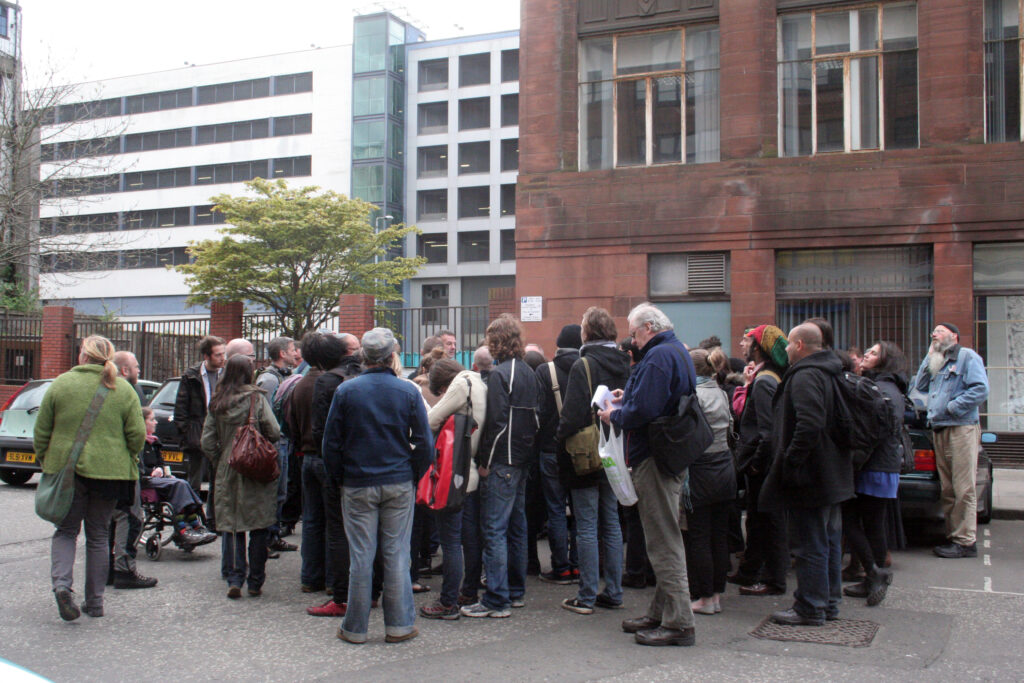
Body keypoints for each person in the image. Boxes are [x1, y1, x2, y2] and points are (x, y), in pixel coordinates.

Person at [322, 328, 433, 644]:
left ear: (363, 357)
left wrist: (341, 478)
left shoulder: (347, 391)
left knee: (361, 556)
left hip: (357, 482)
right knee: (397, 554)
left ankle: (355, 628)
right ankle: (398, 625)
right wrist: (412, 473)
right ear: (391, 356)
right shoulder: (408, 391)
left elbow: (331, 444)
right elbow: (424, 443)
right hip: (398, 480)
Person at [598, 303, 697, 647]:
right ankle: (661, 612)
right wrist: (631, 398)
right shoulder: (675, 351)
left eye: (635, 331)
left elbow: (647, 410)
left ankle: (680, 622)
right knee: (664, 535)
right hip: (668, 454)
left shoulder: (657, 357)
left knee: (662, 539)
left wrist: (617, 416)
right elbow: (661, 400)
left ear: (650, 327)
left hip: (654, 457)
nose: (633, 338)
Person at [35, 335, 147, 620]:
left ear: (82, 356)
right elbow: (137, 436)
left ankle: (62, 587)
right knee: (98, 536)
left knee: (66, 531)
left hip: (68, 471)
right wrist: (125, 457)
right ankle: (95, 603)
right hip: (110, 474)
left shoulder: (60, 384)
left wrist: (48, 460)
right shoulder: (123, 389)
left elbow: (41, 432)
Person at [761, 323, 852, 626]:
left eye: (788, 343)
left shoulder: (805, 376)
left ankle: (811, 606)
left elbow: (809, 423)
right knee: (827, 539)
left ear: (799, 345)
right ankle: (829, 603)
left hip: (811, 475)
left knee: (810, 542)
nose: (785, 349)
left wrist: (791, 462)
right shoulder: (831, 371)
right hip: (832, 472)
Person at [461, 314, 541, 619]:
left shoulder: (498, 375)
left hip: (501, 461)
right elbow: (533, 418)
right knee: (516, 527)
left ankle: (496, 599)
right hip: (521, 460)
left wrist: (484, 462)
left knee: (493, 530)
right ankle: (514, 591)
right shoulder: (528, 372)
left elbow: (495, 424)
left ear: (496, 341)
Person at [556, 307, 629, 615]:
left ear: (586, 333)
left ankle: (586, 595)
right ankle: (613, 591)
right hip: (616, 447)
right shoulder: (626, 362)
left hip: (587, 451)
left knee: (586, 525)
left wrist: (559, 437)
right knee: (611, 522)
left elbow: (571, 414)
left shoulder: (582, 364)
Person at [201, 354, 281, 599]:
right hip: (256, 468)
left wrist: (222, 458)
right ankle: (256, 581)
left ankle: (235, 577)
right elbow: (274, 431)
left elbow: (206, 441)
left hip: (229, 468)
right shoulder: (256, 398)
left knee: (234, 525)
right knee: (258, 523)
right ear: (249, 372)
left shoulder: (218, 401)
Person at [913, 323, 990, 558]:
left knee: (963, 487)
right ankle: (953, 535)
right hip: (940, 429)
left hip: (961, 428)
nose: (933, 333)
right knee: (948, 489)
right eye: (932, 331)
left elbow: (980, 389)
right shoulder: (937, 359)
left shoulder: (967, 357)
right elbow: (921, 386)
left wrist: (952, 407)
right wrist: (928, 357)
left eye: (939, 330)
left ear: (954, 336)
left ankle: (966, 542)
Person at [419, 358, 488, 620]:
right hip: (470, 471)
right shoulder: (478, 381)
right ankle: (467, 592)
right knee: (468, 539)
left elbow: (430, 421)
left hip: (453, 473)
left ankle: (448, 602)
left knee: (450, 541)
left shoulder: (461, 384)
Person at [842, 342, 905, 605]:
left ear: (885, 360)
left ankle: (874, 572)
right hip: (881, 463)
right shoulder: (887, 387)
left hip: (874, 464)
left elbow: (874, 430)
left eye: (874, 353)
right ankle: (873, 575)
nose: (867, 355)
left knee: (854, 519)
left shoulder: (882, 389)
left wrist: (857, 456)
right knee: (873, 524)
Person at [307, 332, 365, 617]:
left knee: (338, 531)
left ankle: (341, 595)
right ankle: (371, 591)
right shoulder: (364, 376)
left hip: (338, 466)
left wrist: (332, 466)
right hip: (367, 465)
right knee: (369, 533)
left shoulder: (327, 381)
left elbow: (322, 432)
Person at [730, 324, 788, 597]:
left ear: (759, 347)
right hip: (763, 464)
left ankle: (773, 579)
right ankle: (750, 571)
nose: (743, 345)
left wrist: (754, 463)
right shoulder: (767, 377)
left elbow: (767, 430)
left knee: (767, 522)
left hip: (762, 466)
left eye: (748, 341)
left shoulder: (765, 381)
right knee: (757, 520)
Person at [683, 348, 736, 615]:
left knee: (699, 536)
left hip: (701, 471)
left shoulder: (693, 396)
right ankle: (715, 594)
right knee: (718, 536)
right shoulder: (720, 391)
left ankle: (703, 596)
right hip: (725, 467)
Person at [535, 324, 582, 585]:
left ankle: (560, 568)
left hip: (551, 449)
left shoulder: (545, 370)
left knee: (555, 509)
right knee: (580, 511)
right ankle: (578, 565)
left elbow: (539, 413)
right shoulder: (587, 367)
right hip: (581, 450)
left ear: (558, 343)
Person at [108, 349, 157, 590]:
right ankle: (124, 569)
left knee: (106, 519)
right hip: (126, 465)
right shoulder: (130, 391)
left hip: (100, 466)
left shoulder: (101, 387)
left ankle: (105, 570)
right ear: (125, 370)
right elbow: (136, 433)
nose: (139, 371)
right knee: (131, 517)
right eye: (136, 367)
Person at [288, 333, 330, 592]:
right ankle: (329, 578)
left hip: (306, 457)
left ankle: (309, 577)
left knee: (312, 520)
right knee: (332, 520)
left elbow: (289, 424)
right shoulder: (328, 384)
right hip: (325, 458)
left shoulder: (299, 385)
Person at [139, 407, 216, 546]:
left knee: (182, 483)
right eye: (152, 420)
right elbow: (138, 467)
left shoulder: (155, 442)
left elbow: (162, 464)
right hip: (146, 481)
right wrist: (151, 472)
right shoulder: (139, 443)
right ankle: (184, 529)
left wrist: (166, 473)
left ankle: (195, 524)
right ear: (142, 423)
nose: (156, 422)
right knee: (180, 485)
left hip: (159, 481)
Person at [174, 335, 226, 521]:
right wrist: (187, 432)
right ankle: (194, 518)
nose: (222, 358)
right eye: (218, 355)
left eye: (223, 354)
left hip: (218, 434)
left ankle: (213, 518)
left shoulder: (225, 374)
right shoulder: (191, 375)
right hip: (197, 433)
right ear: (206, 356)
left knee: (216, 480)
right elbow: (181, 407)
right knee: (194, 479)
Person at [256, 336, 299, 554]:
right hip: (275, 443)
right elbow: (265, 414)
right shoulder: (270, 380)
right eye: (292, 350)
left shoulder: (283, 377)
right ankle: (266, 539)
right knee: (274, 493)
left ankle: (272, 536)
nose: (295, 353)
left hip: (283, 442)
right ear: (282, 353)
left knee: (281, 492)